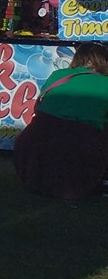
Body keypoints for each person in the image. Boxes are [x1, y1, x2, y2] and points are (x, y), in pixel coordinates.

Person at [12, 43, 108, 200]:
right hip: (81, 145)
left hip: (33, 144)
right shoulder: (105, 83)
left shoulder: (58, 75)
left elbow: (40, 105)